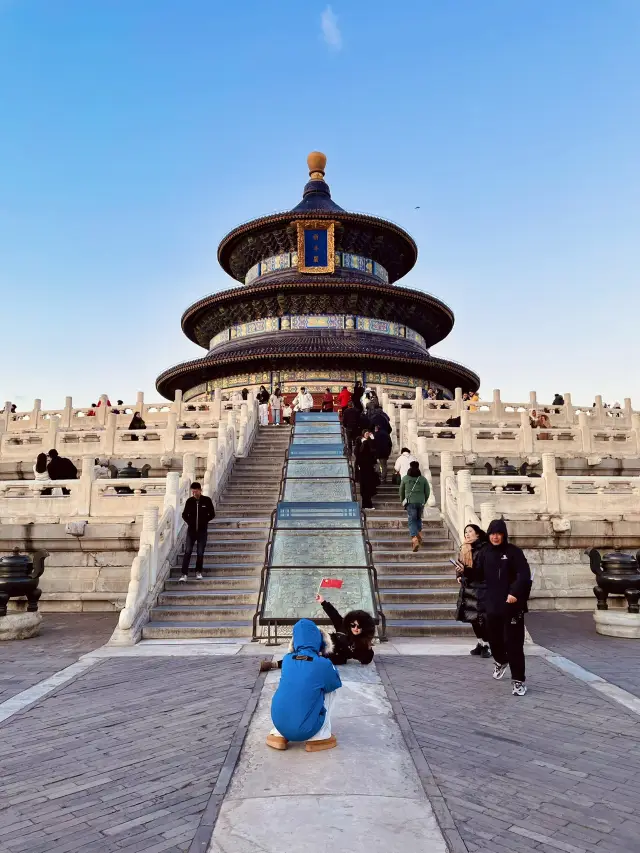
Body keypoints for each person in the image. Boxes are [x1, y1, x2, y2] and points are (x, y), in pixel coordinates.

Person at [474, 519, 531, 697]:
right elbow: (478, 574)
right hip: (492, 605)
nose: (495, 537)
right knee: (494, 640)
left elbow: (524, 575)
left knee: (514, 644)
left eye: (498, 533)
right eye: (492, 533)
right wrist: (463, 574)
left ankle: (518, 681)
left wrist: (515, 593)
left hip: (512, 605)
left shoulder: (514, 552)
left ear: (504, 534)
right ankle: (501, 660)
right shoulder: (485, 552)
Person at [267, 619, 342, 752]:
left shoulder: (287, 659)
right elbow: (334, 683)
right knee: (330, 689)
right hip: (305, 730)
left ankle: (278, 734)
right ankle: (319, 737)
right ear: (319, 639)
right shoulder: (323, 664)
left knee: (289, 686)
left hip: (279, 722)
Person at [455, 524, 491, 657]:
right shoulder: (464, 548)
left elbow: (482, 572)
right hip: (468, 588)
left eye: (470, 531)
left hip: (481, 589)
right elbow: (460, 565)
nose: (467, 534)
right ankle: (480, 643)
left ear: (478, 533)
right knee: (473, 619)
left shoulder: (484, 549)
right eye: (465, 532)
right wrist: (459, 576)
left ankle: (487, 645)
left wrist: (466, 571)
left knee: (482, 619)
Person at [316, 596, 375, 665]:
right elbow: (333, 614)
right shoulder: (342, 626)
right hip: (325, 647)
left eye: (359, 626)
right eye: (353, 625)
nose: (355, 628)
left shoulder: (362, 642)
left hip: (336, 659)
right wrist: (323, 602)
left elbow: (365, 660)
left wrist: (368, 647)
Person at [178, 482, 216, 582]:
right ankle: (184, 574)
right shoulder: (189, 501)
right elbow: (184, 514)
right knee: (188, 551)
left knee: (200, 552)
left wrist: (204, 521)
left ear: (200, 490)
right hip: (191, 531)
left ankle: (198, 572)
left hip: (202, 531)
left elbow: (212, 514)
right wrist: (190, 522)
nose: (194, 493)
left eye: (196, 491)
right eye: (193, 491)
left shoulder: (206, 500)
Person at [399, 460, 430, 551]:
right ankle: (419, 534)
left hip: (410, 502)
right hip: (420, 502)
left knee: (411, 520)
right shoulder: (423, 479)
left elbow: (401, 491)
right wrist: (424, 500)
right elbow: (427, 491)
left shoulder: (405, 478)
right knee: (418, 518)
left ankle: (414, 538)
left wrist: (402, 501)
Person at [356, 430, 378, 510]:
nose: (368, 435)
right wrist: (371, 440)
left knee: (366, 488)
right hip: (365, 469)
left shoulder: (365, 443)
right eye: (366, 434)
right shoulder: (364, 443)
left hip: (365, 468)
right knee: (366, 488)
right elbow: (372, 452)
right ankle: (367, 505)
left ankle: (367, 505)